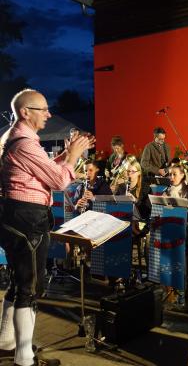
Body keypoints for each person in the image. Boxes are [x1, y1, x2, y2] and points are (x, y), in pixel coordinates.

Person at [0, 89, 94, 366]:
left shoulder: (16, 138)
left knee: (20, 282)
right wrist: (73, 155)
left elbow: (43, 170)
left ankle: (7, 343)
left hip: (17, 216)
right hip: (27, 219)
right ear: (25, 112)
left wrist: (66, 154)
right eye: (43, 109)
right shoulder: (25, 144)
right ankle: (24, 359)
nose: (49, 114)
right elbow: (59, 181)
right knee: (31, 288)